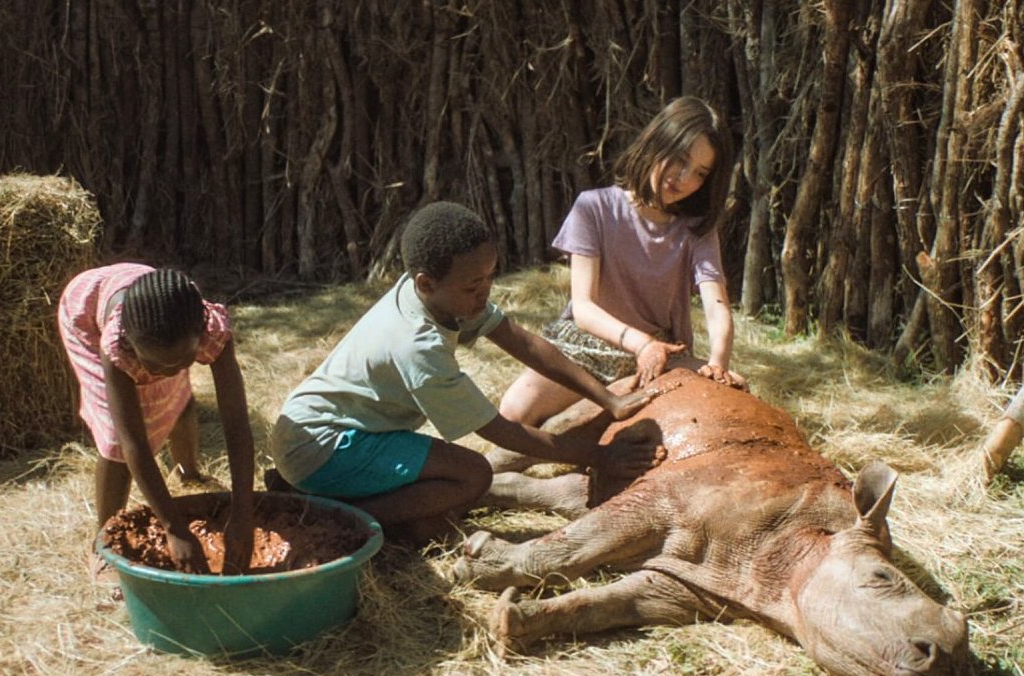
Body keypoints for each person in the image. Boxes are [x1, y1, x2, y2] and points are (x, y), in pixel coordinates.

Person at [269, 202, 663, 544]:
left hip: (332, 431)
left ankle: (328, 497)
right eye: (474, 286)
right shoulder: (418, 347)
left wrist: (608, 398)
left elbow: (522, 342)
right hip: (323, 446)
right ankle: (333, 517)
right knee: (472, 476)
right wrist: (598, 456)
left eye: (491, 278)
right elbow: (500, 431)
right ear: (426, 283)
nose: (485, 293)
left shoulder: (438, 296)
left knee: (439, 506)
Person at [499, 96, 748, 429]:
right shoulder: (594, 208)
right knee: (513, 414)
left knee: (740, 395)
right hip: (585, 349)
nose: (683, 177)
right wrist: (639, 344)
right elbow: (584, 308)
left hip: (662, 355)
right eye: (679, 158)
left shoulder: (697, 230)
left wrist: (717, 364)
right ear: (656, 142)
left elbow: (717, 305)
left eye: (700, 173)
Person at [58, 264, 255, 575]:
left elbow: (236, 423)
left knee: (173, 396)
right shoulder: (115, 348)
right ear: (132, 346)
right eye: (158, 364)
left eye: (185, 360)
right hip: (86, 313)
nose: (171, 370)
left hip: (155, 306)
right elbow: (132, 442)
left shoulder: (208, 329)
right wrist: (173, 528)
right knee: (114, 441)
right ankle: (104, 543)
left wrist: (244, 514)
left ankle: (188, 471)